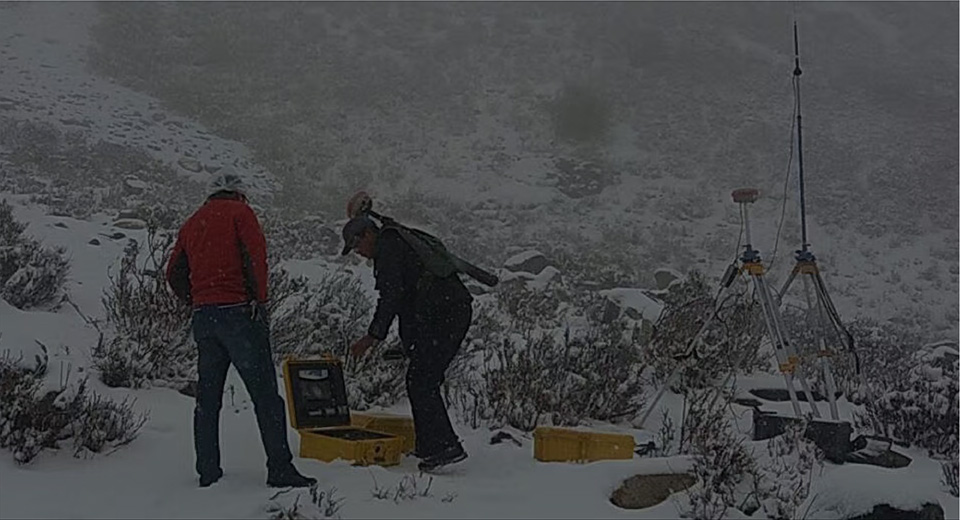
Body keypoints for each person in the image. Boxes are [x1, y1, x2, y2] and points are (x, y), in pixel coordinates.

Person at [165, 171, 315, 489]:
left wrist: (197, 298)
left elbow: (173, 272)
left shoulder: (193, 222)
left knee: (208, 399)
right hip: (239, 314)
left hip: (204, 317)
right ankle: (280, 468)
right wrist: (259, 301)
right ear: (240, 193)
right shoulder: (241, 214)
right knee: (265, 396)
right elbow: (255, 258)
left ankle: (208, 470)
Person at [342, 215, 473, 472]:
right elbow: (408, 303)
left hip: (447, 314)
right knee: (419, 378)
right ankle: (429, 446)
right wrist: (407, 345)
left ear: (368, 234)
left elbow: (391, 298)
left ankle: (446, 446)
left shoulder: (389, 249)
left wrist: (371, 338)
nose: (359, 252)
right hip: (446, 313)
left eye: (357, 245)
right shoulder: (396, 246)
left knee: (421, 380)